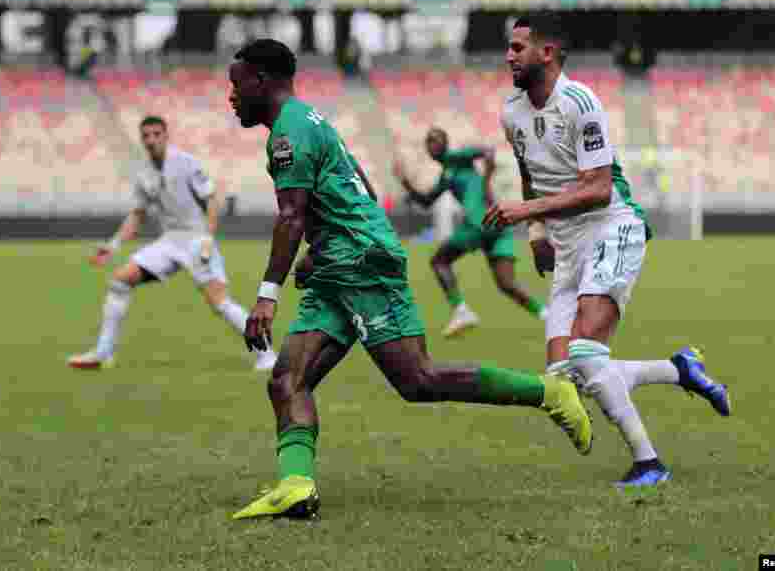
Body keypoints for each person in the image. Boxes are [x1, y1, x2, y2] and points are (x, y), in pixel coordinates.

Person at [227, 38, 593, 520]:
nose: (231, 97)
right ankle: (296, 486)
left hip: (358, 260)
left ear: (260, 80)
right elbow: (362, 186)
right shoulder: (311, 121)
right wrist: (324, 249)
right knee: (287, 379)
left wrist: (267, 297)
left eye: (235, 86)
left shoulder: (287, 135)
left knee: (417, 379)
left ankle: (550, 392)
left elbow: (291, 216)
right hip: (340, 262)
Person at [486, 14, 730, 487]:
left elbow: (598, 190)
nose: (509, 55)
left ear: (548, 53)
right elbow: (529, 176)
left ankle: (649, 463)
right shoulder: (511, 112)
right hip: (566, 243)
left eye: (519, 47)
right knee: (564, 376)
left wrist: (526, 211)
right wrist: (537, 233)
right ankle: (679, 369)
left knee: (584, 350)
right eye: (509, 47)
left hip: (611, 227)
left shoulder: (580, 102)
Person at [67, 115, 278, 372]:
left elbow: (211, 201)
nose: (151, 140)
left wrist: (208, 239)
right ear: (141, 139)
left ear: (166, 136)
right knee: (120, 280)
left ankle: (267, 354)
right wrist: (112, 245)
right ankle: (103, 353)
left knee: (220, 302)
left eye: (156, 134)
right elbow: (137, 214)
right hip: (169, 241)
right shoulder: (144, 173)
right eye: (146, 136)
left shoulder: (186, 163)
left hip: (196, 239)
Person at [393, 127, 547, 337]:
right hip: (495, 223)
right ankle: (548, 316)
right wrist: (405, 183)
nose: (432, 144)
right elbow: (427, 201)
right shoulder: (446, 174)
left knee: (439, 261)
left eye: (435, 140)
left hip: (479, 222)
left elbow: (486, 151)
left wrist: (487, 177)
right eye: (429, 141)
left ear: (445, 142)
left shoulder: (456, 157)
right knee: (506, 283)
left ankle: (461, 310)